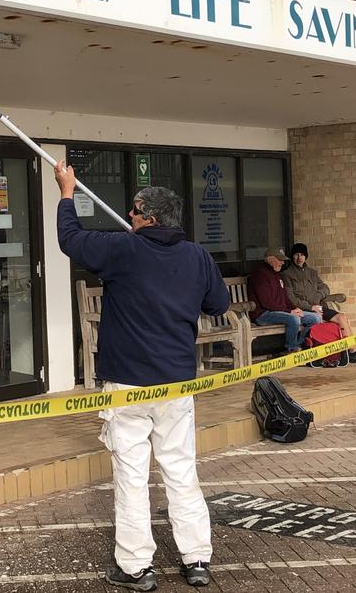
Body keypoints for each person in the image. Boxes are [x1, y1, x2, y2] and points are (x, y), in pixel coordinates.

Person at [54, 161, 229, 591]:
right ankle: (197, 560)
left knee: (131, 476)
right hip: (177, 384)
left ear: (145, 216)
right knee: (181, 471)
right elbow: (219, 304)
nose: (128, 216)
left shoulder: (123, 251)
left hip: (128, 385)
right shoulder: (197, 256)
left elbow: (70, 239)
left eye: (132, 211)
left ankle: (136, 567)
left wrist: (65, 192)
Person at [282, 243, 356, 362]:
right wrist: (311, 307)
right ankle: (348, 352)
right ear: (292, 257)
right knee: (319, 319)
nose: (299, 257)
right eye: (296, 254)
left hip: (318, 307)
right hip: (303, 309)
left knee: (342, 318)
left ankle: (352, 351)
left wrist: (319, 295)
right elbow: (291, 298)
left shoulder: (312, 272)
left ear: (306, 256)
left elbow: (325, 288)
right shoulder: (287, 275)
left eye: (302, 255)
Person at [247, 248, 321, 354]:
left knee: (316, 318)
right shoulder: (259, 276)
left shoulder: (277, 275)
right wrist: (289, 311)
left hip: (281, 312)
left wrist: (295, 308)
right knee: (294, 319)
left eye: (283, 260)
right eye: (279, 260)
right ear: (269, 259)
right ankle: (291, 348)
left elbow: (285, 298)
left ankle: (300, 344)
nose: (282, 263)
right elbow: (266, 303)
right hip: (263, 314)